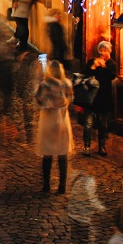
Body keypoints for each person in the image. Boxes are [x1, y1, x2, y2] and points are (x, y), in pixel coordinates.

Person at [34, 60, 74, 195]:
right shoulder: (67, 83)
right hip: (63, 120)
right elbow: (71, 98)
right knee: (62, 153)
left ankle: (46, 185)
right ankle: (62, 185)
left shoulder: (44, 85)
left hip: (49, 121)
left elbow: (38, 99)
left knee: (47, 153)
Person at [83, 41, 120, 156]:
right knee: (88, 123)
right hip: (91, 98)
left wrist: (103, 66)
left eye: (105, 50)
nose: (103, 53)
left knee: (103, 124)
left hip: (104, 98)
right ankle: (87, 146)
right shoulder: (92, 61)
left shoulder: (111, 64)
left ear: (109, 52)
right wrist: (94, 66)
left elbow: (110, 76)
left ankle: (102, 146)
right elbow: (86, 74)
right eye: (101, 50)